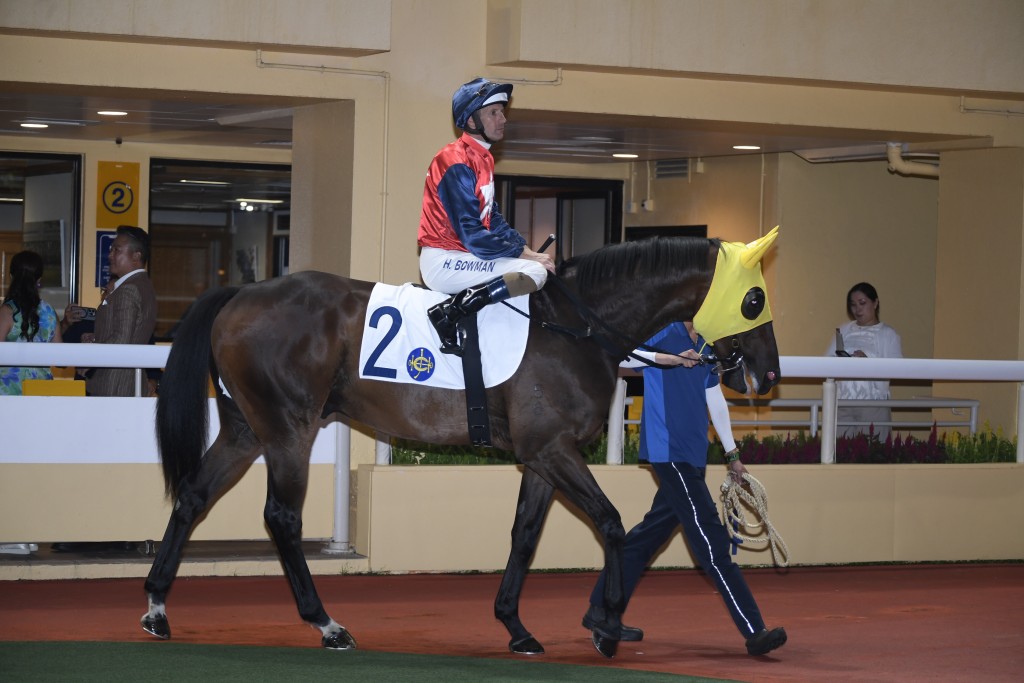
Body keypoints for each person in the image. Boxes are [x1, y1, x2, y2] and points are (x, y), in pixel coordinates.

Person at [583, 321, 787, 658]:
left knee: (648, 536)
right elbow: (618, 354)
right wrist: (666, 359)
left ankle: (602, 610)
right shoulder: (662, 331)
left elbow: (713, 397)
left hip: (693, 456)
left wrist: (732, 454)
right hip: (668, 453)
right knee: (712, 541)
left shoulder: (707, 340)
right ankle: (754, 631)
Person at [418, 77, 555, 355]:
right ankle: (450, 313)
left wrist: (526, 249)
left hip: (462, 258)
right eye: (493, 113)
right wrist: (528, 257)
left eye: (502, 111)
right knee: (534, 271)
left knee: (533, 265)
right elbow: (473, 235)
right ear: (471, 121)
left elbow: (494, 221)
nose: (502, 119)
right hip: (445, 261)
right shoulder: (454, 160)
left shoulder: (483, 158)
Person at [81, 225, 158, 397]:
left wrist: (89, 357)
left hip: (114, 385)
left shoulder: (128, 289)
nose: (110, 255)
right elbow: (126, 334)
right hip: (125, 383)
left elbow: (121, 341)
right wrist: (96, 339)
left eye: (117, 250)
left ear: (136, 256)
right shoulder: (143, 285)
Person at [825, 282, 903, 439]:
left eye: (862, 303)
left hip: (873, 402)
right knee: (841, 451)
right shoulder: (844, 330)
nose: (857, 309)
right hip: (843, 401)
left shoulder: (888, 334)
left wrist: (868, 361)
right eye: (853, 305)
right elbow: (827, 361)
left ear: (875, 303)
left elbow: (898, 368)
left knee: (872, 453)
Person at [0, 250, 63, 394]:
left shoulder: (7, 311)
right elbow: (61, 359)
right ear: (39, 280)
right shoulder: (49, 312)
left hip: (9, 391)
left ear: (11, 276)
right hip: (41, 391)